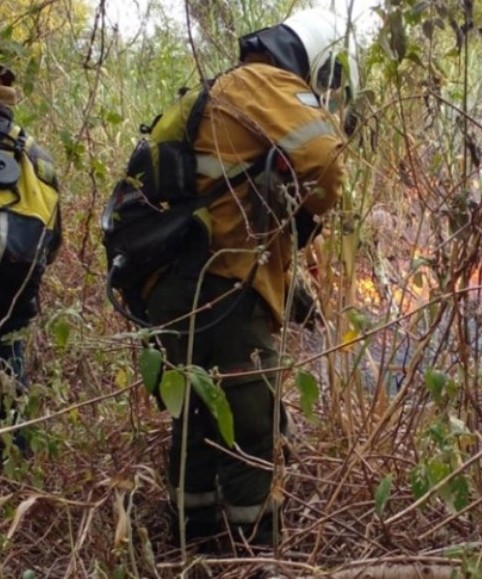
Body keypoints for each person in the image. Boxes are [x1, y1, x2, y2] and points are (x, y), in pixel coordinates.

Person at [138, 9, 359, 548]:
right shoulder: (268, 84)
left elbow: (236, 204)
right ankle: (253, 553)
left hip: (173, 286)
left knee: (194, 422)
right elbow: (328, 168)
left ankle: (193, 545)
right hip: (224, 289)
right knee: (253, 429)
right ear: (317, 59)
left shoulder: (225, 91)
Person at [0, 60, 61, 456]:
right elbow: (53, 239)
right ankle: (15, 467)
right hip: (15, 282)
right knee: (10, 367)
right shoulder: (37, 155)